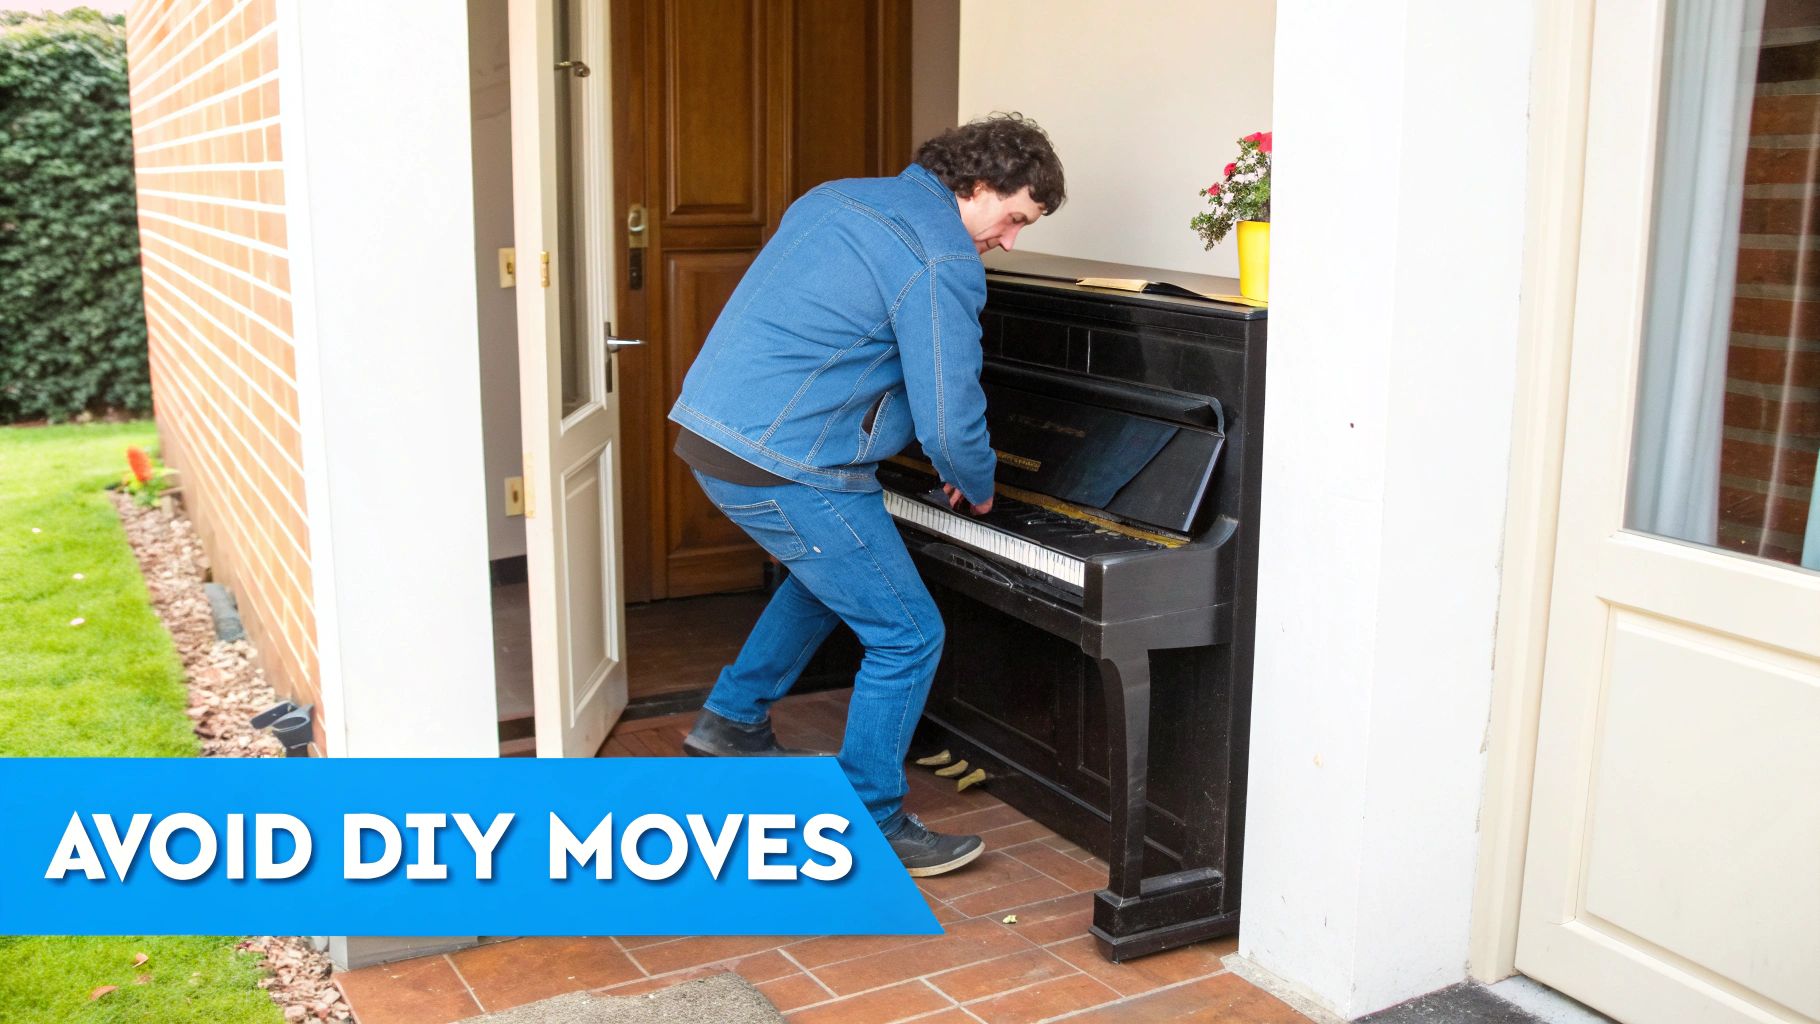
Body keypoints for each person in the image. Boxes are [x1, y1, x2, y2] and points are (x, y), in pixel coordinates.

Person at [666, 113, 1065, 876]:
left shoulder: (836, 197)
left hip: (717, 433)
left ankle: (731, 720)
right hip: (790, 460)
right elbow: (951, 410)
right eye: (1013, 218)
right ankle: (871, 817)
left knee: (834, 578)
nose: (1011, 240)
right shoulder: (940, 256)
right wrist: (973, 483)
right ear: (977, 185)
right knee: (909, 633)